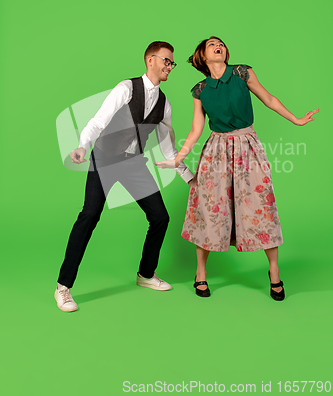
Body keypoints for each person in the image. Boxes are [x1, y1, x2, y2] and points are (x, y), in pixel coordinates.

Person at [155, 36, 319, 301]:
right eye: (212, 45)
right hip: (215, 150)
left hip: (247, 145)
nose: (219, 46)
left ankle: (274, 273)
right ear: (202, 57)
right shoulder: (200, 90)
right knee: (209, 207)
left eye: (221, 44)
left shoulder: (242, 73)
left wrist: (296, 120)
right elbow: (196, 129)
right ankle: (201, 273)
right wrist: (178, 159)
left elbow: (268, 99)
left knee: (261, 204)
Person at [55, 41, 193, 312]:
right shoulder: (126, 88)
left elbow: (168, 147)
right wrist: (83, 145)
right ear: (150, 60)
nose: (170, 66)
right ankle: (63, 288)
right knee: (89, 215)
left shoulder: (164, 104)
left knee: (160, 217)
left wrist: (189, 178)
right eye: (166, 61)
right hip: (105, 159)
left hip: (133, 163)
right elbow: (98, 121)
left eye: (172, 63)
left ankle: (145, 275)